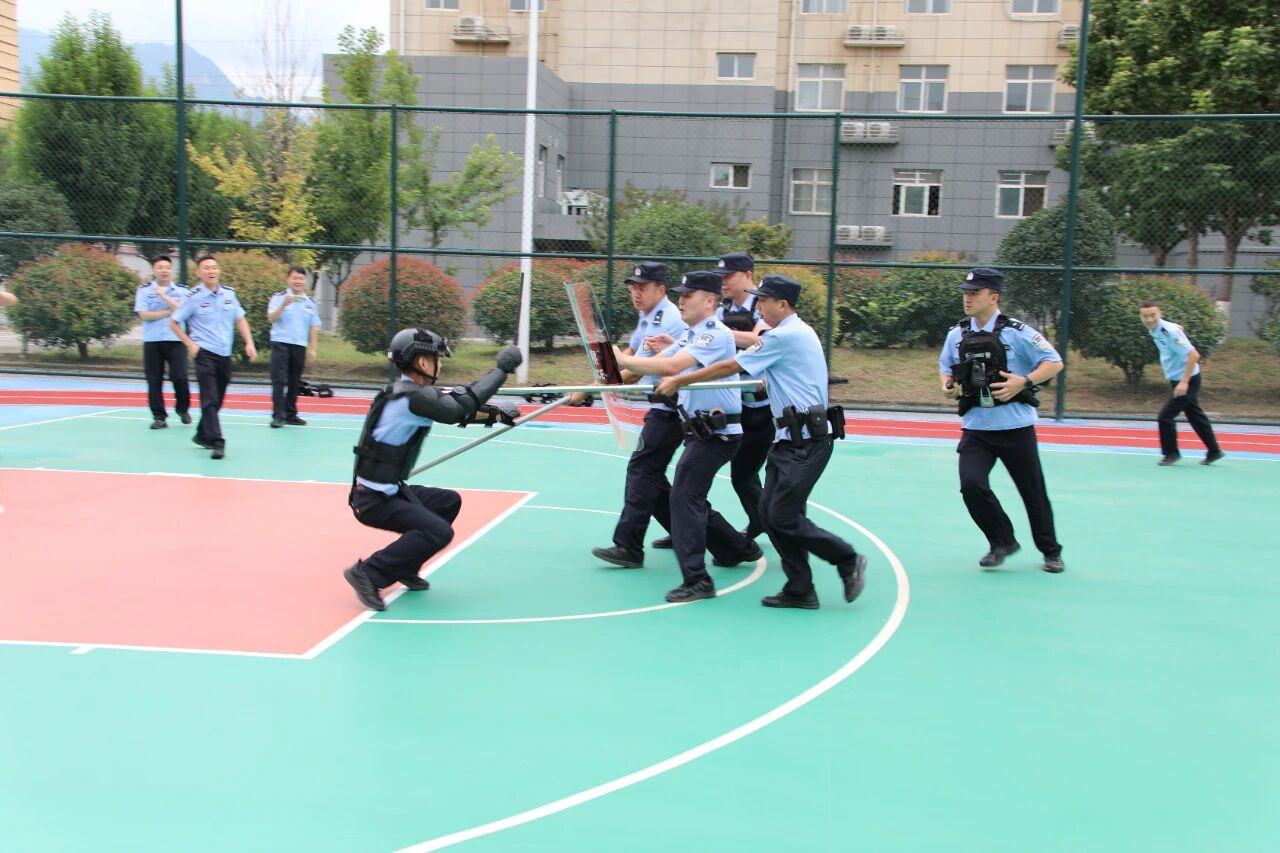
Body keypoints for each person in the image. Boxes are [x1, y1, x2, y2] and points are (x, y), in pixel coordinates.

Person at [657, 274, 866, 610]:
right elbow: (762, 379)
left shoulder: (784, 335)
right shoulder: (793, 334)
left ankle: (846, 558)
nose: (759, 306)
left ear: (782, 304)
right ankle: (800, 588)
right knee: (769, 515)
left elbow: (729, 365)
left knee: (781, 516)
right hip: (789, 440)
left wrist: (682, 379)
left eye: (764, 300)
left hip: (806, 442)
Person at [342, 328, 522, 612]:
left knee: (447, 502)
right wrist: (501, 371)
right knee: (439, 533)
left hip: (389, 492)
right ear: (423, 362)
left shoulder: (409, 394)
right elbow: (455, 409)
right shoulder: (411, 397)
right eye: (437, 358)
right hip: (373, 501)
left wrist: (496, 415)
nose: (441, 364)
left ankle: (405, 566)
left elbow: (456, 409)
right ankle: (368, 573)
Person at [615, 271, 763, 603]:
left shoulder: (714, 334)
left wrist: (621, 359)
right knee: (686, 498)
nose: (681, 301)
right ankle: (732, 549)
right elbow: (657, 363)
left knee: (684, 500)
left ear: (710, 300)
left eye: (688, 295)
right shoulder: (690, 335)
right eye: (680, 295)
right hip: (700, 434)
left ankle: (698, 580)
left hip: (717, 435)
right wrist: (619, 368)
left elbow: (671, 368)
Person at [937, 267, 1066, 573]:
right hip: (976, 428)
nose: (967, 298)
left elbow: (1054, 362)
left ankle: (1051, 551)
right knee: (971, 486)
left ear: (993, 297)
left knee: (1033, 493)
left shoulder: (1018, 332)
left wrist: (1024, 381)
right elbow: (946, 368)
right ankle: (1002, 541)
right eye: (966, 293)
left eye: (975, 293)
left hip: (1015, 428)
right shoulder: (956, 334)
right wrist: (947, 386)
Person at [589, 262, 687, 568]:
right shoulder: (648, 316)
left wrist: (593, 389)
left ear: (661, 289)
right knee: (650, 476)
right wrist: (600, 380)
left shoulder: (666, 319)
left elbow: (632, 371)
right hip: (662, 406)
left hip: (672, 409)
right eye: (633, 287)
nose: (636, 293)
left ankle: (629, 546)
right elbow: (630, 355)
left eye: (642, 287)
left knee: (642, 471)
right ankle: (723, 543)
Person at [169, 254, 258, 460]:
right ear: (199, 272)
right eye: (207, 268)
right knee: (209, 398)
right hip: (204, 353)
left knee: (217, 398)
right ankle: (218, 441)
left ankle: (202, 434)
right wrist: (190, 344)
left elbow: (240, 319)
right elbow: (173, 322)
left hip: (224, 353)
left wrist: (249, 342)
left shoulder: (229, 294)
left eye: (214, 267)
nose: (212, 271)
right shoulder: (193, 297)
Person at [1139, 300, 1224, 466]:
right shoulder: (1157, 329)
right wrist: (1179, 330)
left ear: (1160, 314)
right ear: (1140, 316)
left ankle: (1171, 453)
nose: (1149, 319)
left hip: (1187, 379)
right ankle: (1214, 451)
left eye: (1153, 315)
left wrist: (1184, 382)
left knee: (1165, 416)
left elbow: (1194, 355)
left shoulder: (1169, 332)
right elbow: (1176, 332)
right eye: (1145, 316)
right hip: (1177, 378)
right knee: (1195, 416)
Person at [133, 254, 191, 430]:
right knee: (154, 379)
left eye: (167, 267)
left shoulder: (182, 290)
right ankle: (159, 417)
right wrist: (167, 312)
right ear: (153, 270)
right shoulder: (144, 290)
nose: (164, 271)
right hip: (153, 340)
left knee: (180, 376)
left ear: (171, 270)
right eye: (160, 267)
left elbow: (183, 311)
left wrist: (165, 298)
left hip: (176, 339)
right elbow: (144, 314)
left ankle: (182, 409)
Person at [266, 265, 322, 428]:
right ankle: (278, 415)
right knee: (278, 379)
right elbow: (271, 318)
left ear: (305, 281)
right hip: (280, 343)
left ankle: (291, 413)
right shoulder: (279, 298)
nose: (298, 281)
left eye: (301, 278)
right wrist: (283, 305)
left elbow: (314, 326)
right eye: (295, 278)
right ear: (288, 279)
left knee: (294, 380)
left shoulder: (310, 302)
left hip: (299, 344)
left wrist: (313, 349)